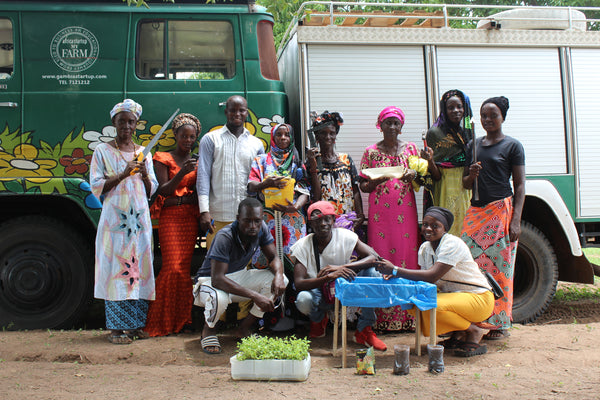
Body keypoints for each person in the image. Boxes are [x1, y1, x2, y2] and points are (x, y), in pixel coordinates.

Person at [375, 206, 495, 357]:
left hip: (479, 299)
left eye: (435, 226)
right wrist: (398, 277)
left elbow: (432, 276)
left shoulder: (452, 244)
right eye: (425, 224)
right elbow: (427, 282)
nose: (428, 229)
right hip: (456, 298)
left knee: (431, 306)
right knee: (413, 304)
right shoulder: (425, 248)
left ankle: (473, 331)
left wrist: (395, 270)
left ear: (444, 229)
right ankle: (458, 334)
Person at [89, 99, 158, 344]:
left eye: (131, 122)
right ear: (113, 123)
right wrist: (123, 173)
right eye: (122, 122)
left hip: (138, 222)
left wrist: (144, 174)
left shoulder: (143, 154)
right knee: (115, 269)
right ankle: (116, 329)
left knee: (137, 270)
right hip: (114, 223)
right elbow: (97, 187)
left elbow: (151, 190)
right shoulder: (102, 151)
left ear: (136, 124)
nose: (126, 126)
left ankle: (135, 325)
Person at [462, 96, 525, 340]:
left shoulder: (512, 146)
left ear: (503, 117)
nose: (488, 120)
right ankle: (477, 319)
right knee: (473, 269)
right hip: (476, 213)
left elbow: (519, 186)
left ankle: (499, 324)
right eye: (484, 116)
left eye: (493, 115)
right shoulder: (474, 145)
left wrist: (516, 220)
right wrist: (472, 174)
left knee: (500, 270)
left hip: (500, 212)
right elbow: (466, 183)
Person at [192, 197, 288, 354]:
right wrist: (255, 296)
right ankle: (208, 330)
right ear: (238, 219)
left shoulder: (261, 228)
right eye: (247, 221)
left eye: (257, 221)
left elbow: (274, 258)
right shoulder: (225, 236)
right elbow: (218, 279)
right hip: (208, 282)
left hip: (237, 277)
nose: (253, 226)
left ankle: (243, 328)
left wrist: (278, 275)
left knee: (281, 279)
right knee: (219, 298)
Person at [291, 201, 387, 351]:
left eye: (327, 219)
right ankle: (318, 320)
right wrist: (329, 276)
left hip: (346, 288)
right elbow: (299, 283)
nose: (323, 223)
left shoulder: (346, 236)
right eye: (317, 219)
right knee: (304, 299)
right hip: (320, 292)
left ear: (334, 221)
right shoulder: (303, 245)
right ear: (311, 222)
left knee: (372, 274)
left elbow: (374, 257)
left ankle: (364, 330)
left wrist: (342, 268)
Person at [358, 106, 420, 331]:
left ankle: (408, 317)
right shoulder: (371, 152)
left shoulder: (412, 149)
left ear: (401, 126)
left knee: (406, 256)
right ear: (380, 125)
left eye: (396, 123)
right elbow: (364, 186)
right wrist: (380, 178)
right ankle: (383, 318)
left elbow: (420, 183)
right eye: (388, 123)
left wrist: (415, 175)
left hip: (406, 213)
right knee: (381, 258)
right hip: (380, 216)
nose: (392, 127)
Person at [145, 113, 201, 337]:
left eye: (192, 137)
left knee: (184, 270)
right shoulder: (163, 157)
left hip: (189, 216)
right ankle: (162, 320)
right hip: (170, 215)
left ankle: (183, 320)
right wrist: (183, 174)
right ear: (176, 135)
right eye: (184, 136)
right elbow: (163, 189)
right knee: (172, 267)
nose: (188, 140)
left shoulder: (197, 160)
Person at [196, 95, 265, 248]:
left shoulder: (256, 144)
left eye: (242, 110)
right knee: (216, 265)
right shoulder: (211, 139)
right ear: (226, 112)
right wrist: (204, 211)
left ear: (247, 113)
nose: (237, 114)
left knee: (244, 266)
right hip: (218, 214)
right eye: (233, 110)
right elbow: (203, 176)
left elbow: (260, 179)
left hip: (248, 219)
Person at [248, 123, 309, 267]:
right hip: (266, 217)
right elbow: (251, 185)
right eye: (279, 134)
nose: (283, 138)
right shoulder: (261, 160)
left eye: (287, 135)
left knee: (294, 258)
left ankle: (294, 289)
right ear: (273, 138)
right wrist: (266, 184)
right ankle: (267, 288)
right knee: (265, 257)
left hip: (292, 218)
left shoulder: (297, 162)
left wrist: (295, 206)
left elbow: (305, 190)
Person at [422, 89, 474, 236]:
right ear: (444, 110)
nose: (456, 111)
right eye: (450, 108)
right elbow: (436, 175)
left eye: (459, 106)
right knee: (447, 227)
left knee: (466, 226)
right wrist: (430, 160)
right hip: (444, 186)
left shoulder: (469, 130)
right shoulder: (435, 132)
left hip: (466, 186)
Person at [305, 111, 365, 229]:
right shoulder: (312, 162)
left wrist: (361, 215)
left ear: (336, 135)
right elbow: (316, 197)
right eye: (323, 133)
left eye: (332, 133)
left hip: (349, 220)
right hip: (325, 223)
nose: (328, 137)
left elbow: (355, 189)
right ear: (316, 136)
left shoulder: (346, 159)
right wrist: (313, 167)